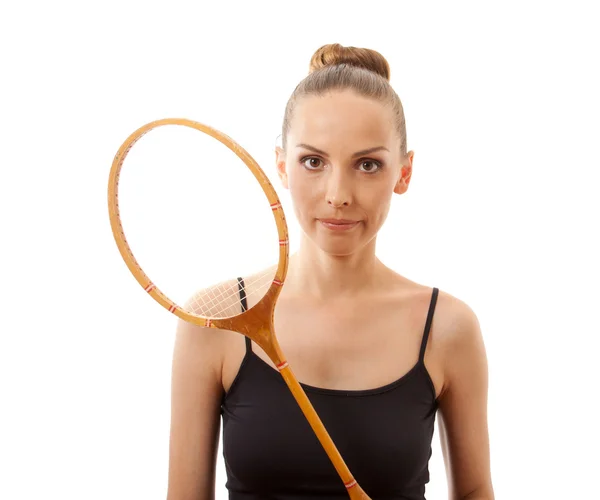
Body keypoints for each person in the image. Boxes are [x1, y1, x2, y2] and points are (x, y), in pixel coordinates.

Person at [166, 43, 494, 500]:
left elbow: (476, 492)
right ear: (282, 164)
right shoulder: (215, 320)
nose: (338, 193)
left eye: (367, 164)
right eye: (313, 161)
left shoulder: (447, 328)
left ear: (403, 172)